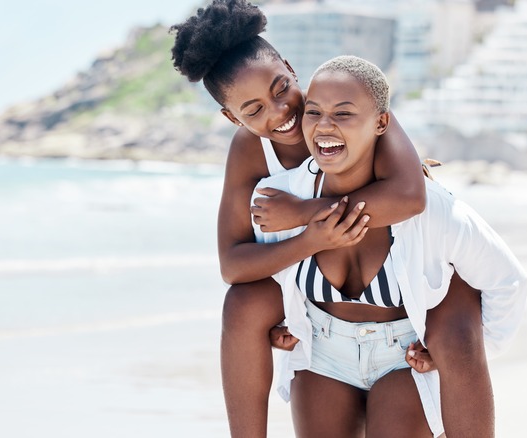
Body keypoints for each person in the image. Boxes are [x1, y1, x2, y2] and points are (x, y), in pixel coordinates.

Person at [169, 1, 449, 436]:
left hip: (391, 291)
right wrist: (309, 239)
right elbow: (233, 264)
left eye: (281, 89)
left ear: (290, 67)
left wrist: (302, 213)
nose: (279, 113)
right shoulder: (250, 150)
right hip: (311, 292)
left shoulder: (342, 99)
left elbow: (410, 197)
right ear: (232, 118)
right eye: (253, 110)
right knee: (242, 303)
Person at [251, 56, 527, 437]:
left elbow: (507, 281)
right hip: (323, 356)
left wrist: (469, 353)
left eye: (344, 114)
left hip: (405, 358)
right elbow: (258, 272)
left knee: (460, 308)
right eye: (314, 112)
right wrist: (280, 322)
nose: (325, 125)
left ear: (381, 122)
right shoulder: (283, 199)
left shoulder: (431, 210)